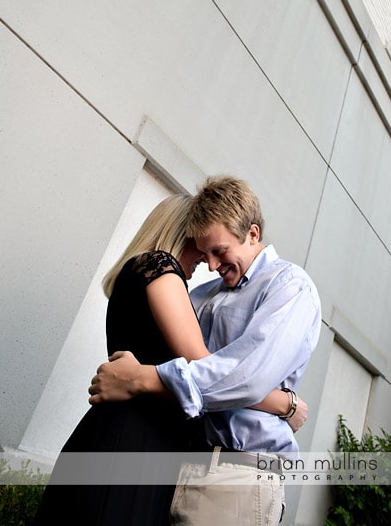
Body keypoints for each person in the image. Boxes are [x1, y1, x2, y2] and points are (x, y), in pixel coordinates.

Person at [33, 192, 304, 526]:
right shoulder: (161, 268)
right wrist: (280, 402)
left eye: (216, 250)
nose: (208, 262)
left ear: (251, 234)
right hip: (137, 439)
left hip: (149, 443)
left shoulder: (283, 284)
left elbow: (214, 377)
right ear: (185, 233)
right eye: (204, 248)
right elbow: (204, 366)